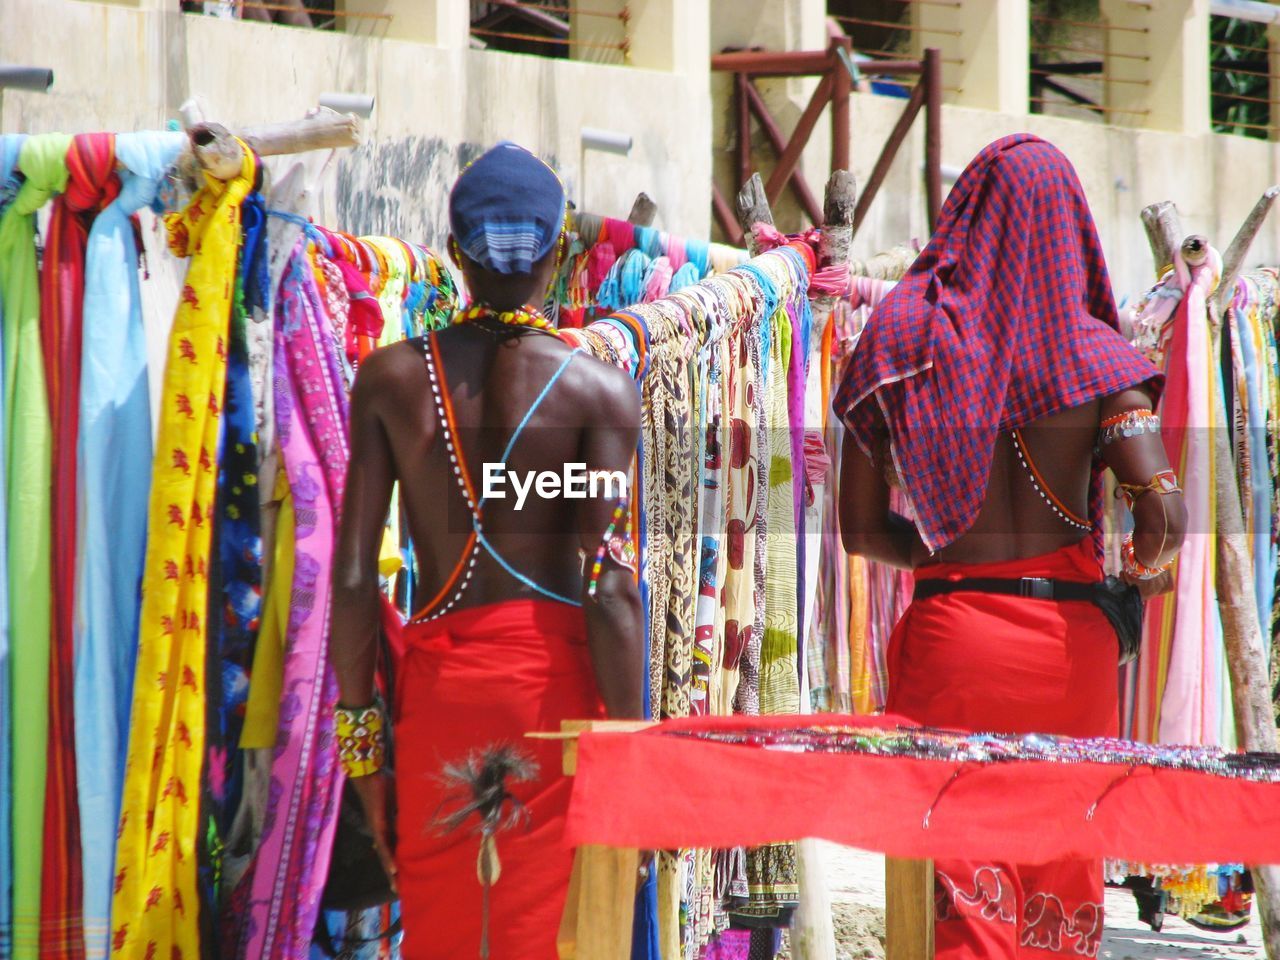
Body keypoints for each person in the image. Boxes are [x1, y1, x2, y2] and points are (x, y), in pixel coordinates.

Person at [834, 134, 1187, 959]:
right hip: (1074, 658)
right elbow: (1163, 517)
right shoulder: (1100, 359)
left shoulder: (900, 340)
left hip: (954, 647)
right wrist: (1132, 585)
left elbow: (858, 529)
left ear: (968, 218)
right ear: (1072, 226)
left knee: (958, 905)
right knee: (1059, 904)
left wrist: (950, 569)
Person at [329, 142, 645, 958]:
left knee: (445, 927)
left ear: (457, 251)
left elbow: (358, 575)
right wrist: (636, 751)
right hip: (556, 705)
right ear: (555, 252)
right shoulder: (600, 390)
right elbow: (612, 587)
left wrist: (363, 759)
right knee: (553, 932)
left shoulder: (391, 379)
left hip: (439, 704)